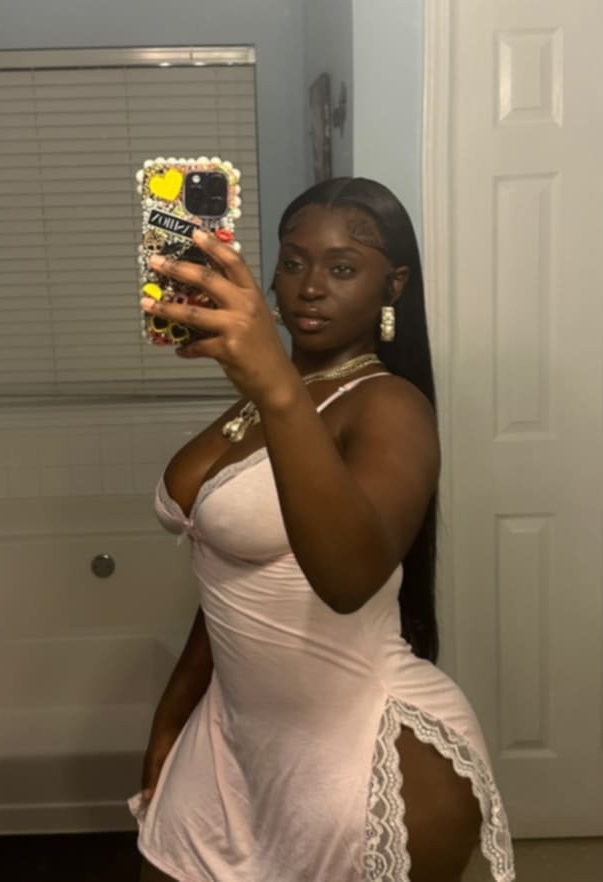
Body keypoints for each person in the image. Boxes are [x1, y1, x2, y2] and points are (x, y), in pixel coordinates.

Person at [129, 177, 515, 882]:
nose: (309, 287)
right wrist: (170, 715)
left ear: (393, 285)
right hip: (226, 743)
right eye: (294, 261)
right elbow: (228, 583)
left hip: (359, 759)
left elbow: (347, 580)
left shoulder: (388, 406)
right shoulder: (260, 401)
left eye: (342, 268)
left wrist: (275, 386)